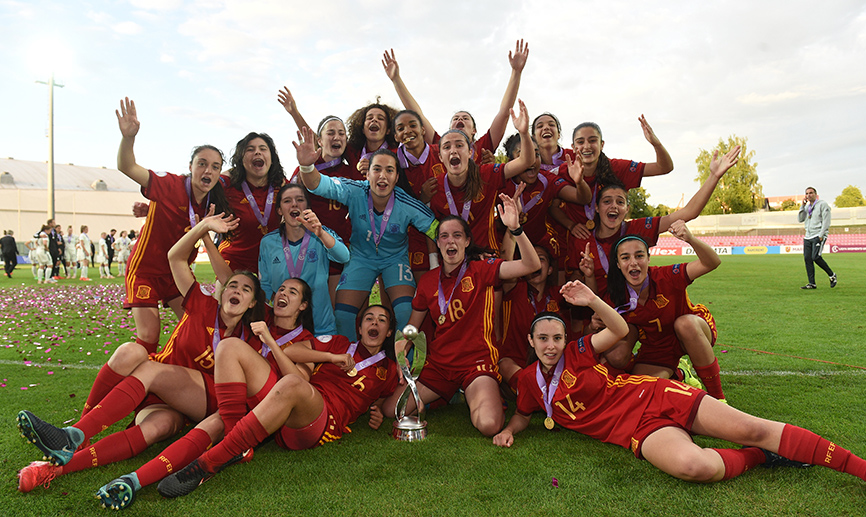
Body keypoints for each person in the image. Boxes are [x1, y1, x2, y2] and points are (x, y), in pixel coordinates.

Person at [15, 212, 265, 506]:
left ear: (252, 303)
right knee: (156, 427)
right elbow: (175, 257)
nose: (237, 290)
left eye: (245, 289)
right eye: (232, 285)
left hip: (197, 397)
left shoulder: (251, 337)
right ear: (222, 291)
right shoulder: (201, 303)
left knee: (149, 368)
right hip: (161, 390)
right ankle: (52, 469)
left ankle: (74, 436)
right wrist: (203, 228)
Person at [493, 304, 866, 485]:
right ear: (531, 341)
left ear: (565, 339)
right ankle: (761, 456)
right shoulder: (528, 381)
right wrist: (509, 429)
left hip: (656, 395)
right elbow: (523, 414)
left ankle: (860, 470)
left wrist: (591, 297)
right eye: (543, 339)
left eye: (557, 337)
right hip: (636, 431)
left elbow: (619, 329)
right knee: (694, 467)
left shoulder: (578, 351)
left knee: (753, 427)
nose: (551, 346)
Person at [156, 305, 399, 499]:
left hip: (320, 420)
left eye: (381, 320)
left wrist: (377, 408)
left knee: (292, 383)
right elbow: (292, 352)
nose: (374, 323)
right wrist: (330, 357)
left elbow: (386, 400)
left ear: (389, 331)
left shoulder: (389, 369)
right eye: (369, 318)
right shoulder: (340, 344)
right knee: (230, 346)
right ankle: (234, 441)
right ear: (360, 328)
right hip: (290, 405)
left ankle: (208, 463)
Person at [383, 189, 542, 437]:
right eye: (444, 236)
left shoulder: (482, 269)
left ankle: (487, 394)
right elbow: (413, 326)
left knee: (488, 425)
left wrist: (515, 229)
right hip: (440, 365)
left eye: (457, 235)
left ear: (467, 242)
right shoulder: (427, 281)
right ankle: (447, 395)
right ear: (438, 243)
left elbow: (531, 265)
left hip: (476, 363)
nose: (450, 241)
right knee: (391, 409)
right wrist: (403, 349)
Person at [115, 97, 230, 353]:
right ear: (190, 166)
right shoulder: (169, 184)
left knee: (199, 327)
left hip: (176, 274)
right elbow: (127, 166)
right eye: (202, 163)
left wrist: (149, 210)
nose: (208, 171)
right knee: (149, 337)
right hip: (146, 271)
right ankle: (135, 377)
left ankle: (176, 371)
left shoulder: (213, 201)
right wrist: (128, 138)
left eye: (215, 167)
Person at [298, 128, 439, 339]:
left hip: (394, 260)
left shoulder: (407, 204)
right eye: (377, 169)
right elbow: (317, 185)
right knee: (343, 315)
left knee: (405, 312)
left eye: (389, 170)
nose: (382, 176)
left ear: (396, 177)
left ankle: (404, 357)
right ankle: (353, 358)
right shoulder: (355, 190)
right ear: (368, 174)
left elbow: (439, 230)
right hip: (360, 258)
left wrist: (468, 250)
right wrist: (306, 166)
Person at [599, 223, 727, 401]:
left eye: (639, 256)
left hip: (692, 331)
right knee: (640, 392)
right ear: (618, 264)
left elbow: (712, 262)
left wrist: (690, 239)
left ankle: (718, 397)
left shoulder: (666, 276)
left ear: (648, 259)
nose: (633, 262)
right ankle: (680, 372)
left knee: (685, 324)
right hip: (657, 347)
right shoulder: (615, 296)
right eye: (625, 258)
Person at [382, 41, 528, 164]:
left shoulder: (483, 148)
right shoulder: (440, 145)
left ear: (474, 131)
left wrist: (516, 73)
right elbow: (417, 115)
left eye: (465, 118)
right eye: (455, 118)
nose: (459, 119)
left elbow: (504, 113)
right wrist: (396, 79)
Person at [429, 99, 535, 253]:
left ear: (470, 152)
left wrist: (524, 134)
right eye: (446, 147)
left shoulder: (486, 174)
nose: (453, 150)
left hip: (487, 256)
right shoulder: (434, 186)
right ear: (440, 156)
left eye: (459, 145)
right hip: (452, 257)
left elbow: (526, 161)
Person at [258, 183, 350, 335]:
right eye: (287, 201)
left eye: (300, 199)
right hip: (284, 328)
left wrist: (320, 233)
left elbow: (344, 257)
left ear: (308, 206)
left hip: (321, 327)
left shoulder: (321, 233)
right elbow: (265, 285)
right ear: (280, 210)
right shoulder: (268, 242)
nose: (294, 204)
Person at [217, 132, 286, 274]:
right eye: (250, 149)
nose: (257, 152)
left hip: (272, 263)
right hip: (235, 262)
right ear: (241, 159)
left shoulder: (282, 186)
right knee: (228, 288)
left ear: (272, 158)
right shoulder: (227, 184)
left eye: (263, 148)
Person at [798, 187, 836, 289]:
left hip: (818, 234)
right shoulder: (807, 207)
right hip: (808, 236)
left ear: (816, 194)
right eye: (807, 193)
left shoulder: (822, 204)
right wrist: (802, 206)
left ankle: (832, 275)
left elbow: (826, 220)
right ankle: (812, 283)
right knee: (807, 259)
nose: (809, 195)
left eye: (811, 193)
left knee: (816, 257)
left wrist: (821, 234)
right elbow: (800, 219)